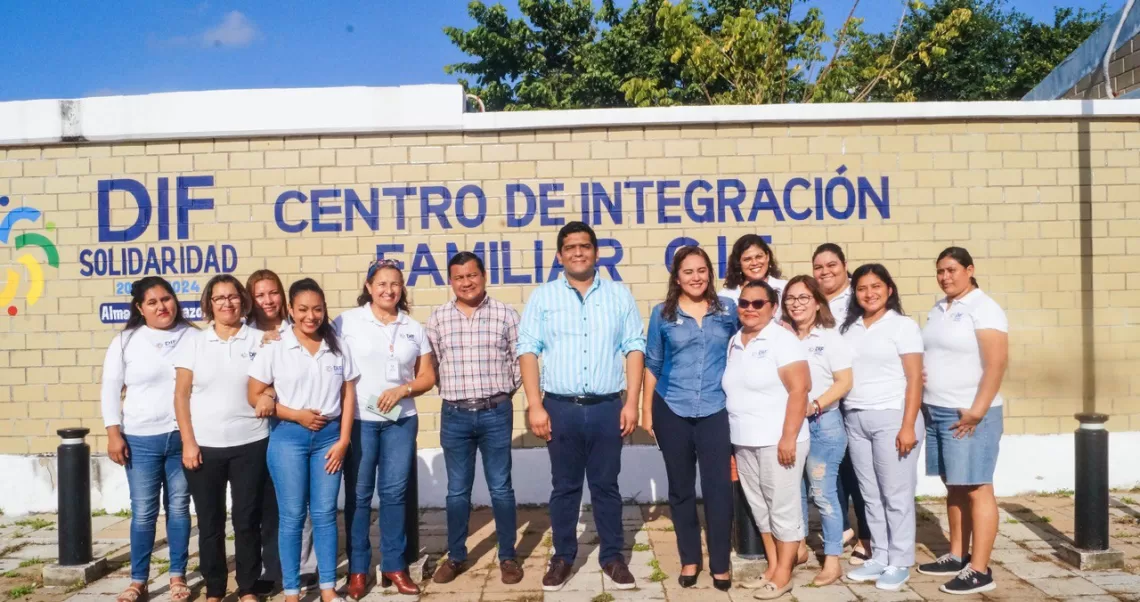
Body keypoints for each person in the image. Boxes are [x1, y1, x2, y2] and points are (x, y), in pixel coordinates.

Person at [518, 221, 646, 592]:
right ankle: (563, 556)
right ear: (560, 255)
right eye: (570, 247)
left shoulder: (619, 295)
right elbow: (528, 350)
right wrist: (534, 406)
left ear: (595, 252)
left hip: (608, 407)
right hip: (561, 408)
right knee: (565, 487)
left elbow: (634, 347)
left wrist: (632, 403)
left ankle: (612, 556)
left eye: (585, 246)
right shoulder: (544, 297)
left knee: (607, 486)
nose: (578, 252)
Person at [248, 278, 358, 602]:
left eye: (318, 309)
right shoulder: (276, 347)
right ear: (291, 311)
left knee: (324, 515)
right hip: (288, 440)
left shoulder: (337, 346)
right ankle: (292, 591)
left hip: (329, 439)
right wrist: (296, 415)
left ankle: (327, 588)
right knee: (293, 516)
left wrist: (344, 440)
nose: (311, 316)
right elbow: (254, 395)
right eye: (303, 309)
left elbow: (348, 394)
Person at [335, 260, 435, 597]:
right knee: (360, 496)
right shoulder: (346, 322)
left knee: (394, 494)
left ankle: (394, 565)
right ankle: (359, 569)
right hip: (361, 422)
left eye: (395, 284)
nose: (388, 290)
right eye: (381, 284)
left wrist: (404, 390)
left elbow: (427, 377)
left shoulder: (412, 327)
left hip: (401, 422)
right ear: (368, 286)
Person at [427, 252, 524, 586]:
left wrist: (503, 393)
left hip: (496, 412)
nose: (466, 282)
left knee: (501, 487)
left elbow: (519, 360)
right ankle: (455, 556)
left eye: (472, 275)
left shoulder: (505, 315)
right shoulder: (438, 318)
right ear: (450, 281)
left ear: (484, 276)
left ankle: (508, 556)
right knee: (457, 491)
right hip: (454, 415)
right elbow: (434, 365)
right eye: (459, 277)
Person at [642, 246, 735, 591]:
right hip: (672, 409)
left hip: (715, 409)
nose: (695, 277)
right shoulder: (661, 314)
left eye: (701, 270)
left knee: (718, 489)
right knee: (681, 489)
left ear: (709, 273)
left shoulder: (728, 311)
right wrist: (646, 410)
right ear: (677, 277)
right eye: (688, 272)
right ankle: (690, 559)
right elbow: (653, 362)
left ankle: (721, 564)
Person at [917, 247, 1008, 595]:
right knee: (954, 485)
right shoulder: (940, 308)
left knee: (977, 486)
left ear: (970, 270)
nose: (945, 277)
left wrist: (977, 410)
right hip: (937, 410)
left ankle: (980, 569)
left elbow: (996, 363)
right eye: (940, 271)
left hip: (968, 415)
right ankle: (956, 554)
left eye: (952, 270)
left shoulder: (984, 308)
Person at [100, 277, 196, 602]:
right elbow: (110, 388)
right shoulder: (126, 341)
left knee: (180, 508)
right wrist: (114, 433)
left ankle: (177, 576)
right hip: (140, 439)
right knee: (143, 512)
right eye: (152, 302)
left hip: (182, 438)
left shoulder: (193, 337)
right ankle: (138, 580)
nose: (161, 307)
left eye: (166, 299)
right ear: (140, 308)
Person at [173, 275, 267, 602]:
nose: (227, 303)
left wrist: (268, 395)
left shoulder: (261, 340)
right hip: (205, 447)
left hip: (251, 443)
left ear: (242, 300)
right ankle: (214, 588)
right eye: (219, 298)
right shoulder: (193, 342)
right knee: (210, 522)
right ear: (209, 305)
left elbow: (272, 383)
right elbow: (181, 396)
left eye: (232, 297)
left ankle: (248, 587)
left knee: (246, 519)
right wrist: (188, 441)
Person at [723, 280, 811, 600]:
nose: (749, 308)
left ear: (772, 308)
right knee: (760, 508)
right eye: (744, 303)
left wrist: (788, 437)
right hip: (745, 441)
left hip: (779, 441)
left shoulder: (782, 339)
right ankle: (773, 567)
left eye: (757, 303)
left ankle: (784, 574)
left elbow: (800, 389)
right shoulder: (735, 341)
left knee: (783, 509)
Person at [840, 264, 925, 591]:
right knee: (870, 493)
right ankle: (880, 553)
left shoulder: (902, 326)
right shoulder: (850, 328)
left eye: (876, 286)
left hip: (893, 416)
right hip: (856, 417)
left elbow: (915, 377)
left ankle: (901, 560)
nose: (869, 293)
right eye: (862, 288)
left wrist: (907, 425)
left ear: (889, 289)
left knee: (896, 493)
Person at [245, 270, 318, 593]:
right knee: (264, 503)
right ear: (250, 298)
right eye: (260, 294)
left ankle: (304, 565)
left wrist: (271, 393)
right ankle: (270, 567)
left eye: (273, 293)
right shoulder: (244, 333)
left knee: (299, 501)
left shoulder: (298, 328)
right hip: (250, 431)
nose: (267, 300)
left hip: (291, 426)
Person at [781, 276, 853, 586]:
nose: (797, 303)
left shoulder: (829, 337)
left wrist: (816, 405)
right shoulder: (782, 338)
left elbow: (844, 381)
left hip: (822, 424)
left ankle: (833, 560)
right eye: (791, 298)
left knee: (823, 495)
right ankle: (797, 549)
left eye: (803, 298)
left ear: (817, 302)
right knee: (793, 493)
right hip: (790, 425)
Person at [812, 243, 870, 564]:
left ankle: (867, 537)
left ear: (845, 265)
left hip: (857, 398)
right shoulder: (816, 303)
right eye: (819, 267)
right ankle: (843, 528)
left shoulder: (859, 300)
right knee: (829, 470)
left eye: (831, 265)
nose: (825, 272)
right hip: (827, 401)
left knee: (857, 473)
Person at [720, 234, 787, 306]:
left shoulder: (785, 289)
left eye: (759, 257)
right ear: (738, 263)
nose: (754, 263)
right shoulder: (726, 296)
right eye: (747, 259)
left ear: (767, 257)